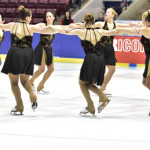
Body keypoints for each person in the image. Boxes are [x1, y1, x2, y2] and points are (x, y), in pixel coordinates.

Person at [44, 13, 114, 115]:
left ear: (84, 22)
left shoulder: (81, 32)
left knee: (82, 82)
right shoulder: (100, 31)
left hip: (91, 58)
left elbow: (64, 31)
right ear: (94, 21)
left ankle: (97, 101)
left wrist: (51, 27)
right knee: (87, 83)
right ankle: (95, 102)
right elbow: (114, 31)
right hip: (100, 59)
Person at [0, 6, 56, 115]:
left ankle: (19, 105)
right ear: (27, 18)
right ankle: (32, 94)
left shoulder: (12, 25)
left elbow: (1, 26)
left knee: (14, 83)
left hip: (15, 53)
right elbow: (48, 30)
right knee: (25, 81)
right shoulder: (31, 28)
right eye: (30, 17)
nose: (30, 19)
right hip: (27, 54)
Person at [69, 8, 133, 96]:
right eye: (106, 12)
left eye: (108, 12)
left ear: (113, 15)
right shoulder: (101, 24)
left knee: (112, 69)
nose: (106, 13)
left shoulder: (116, 25)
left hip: (110, 48)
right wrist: (74, 26)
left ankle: (103, 87)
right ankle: (94, 85)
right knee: (101, 69)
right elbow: (87, 24)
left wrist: (137, 25)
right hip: (101, 48)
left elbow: (128, 26)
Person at [30, 12, 55, 93]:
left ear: (53, 18)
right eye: (47, 16)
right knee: (41, 69)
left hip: (49, 49)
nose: (48, 18)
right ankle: (30, 82)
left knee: (51, 69)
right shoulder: (42, 25)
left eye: (50, 16)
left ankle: (41, 85)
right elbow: (33, 27)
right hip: (41, 48)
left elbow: (66, 28)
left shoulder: (55, 28)